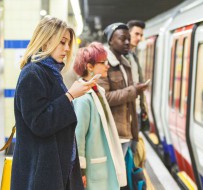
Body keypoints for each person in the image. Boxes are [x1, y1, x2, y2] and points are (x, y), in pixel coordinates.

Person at [11, 16, 96, 190]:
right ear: (45, 41)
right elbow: (40, 123)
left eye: (68, 43)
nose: (66, 49)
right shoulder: (32, 74)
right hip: (40, 174)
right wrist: (70, 95)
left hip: (56, 169)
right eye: (62, 42)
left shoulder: (50, 73)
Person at [73, 42, 127, 189]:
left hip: (102, 165)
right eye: (103, 62)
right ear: (89, 67)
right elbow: (79, 136)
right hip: (93, 168)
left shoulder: (98, 91)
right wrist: (81, 170)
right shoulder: (83, 98)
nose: (107, 66)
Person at [98, 23, 148, 156]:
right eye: (122, 39)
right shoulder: (104, 65)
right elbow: (104, 98)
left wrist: (135, 132)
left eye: (128, 38)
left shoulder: (125, 65)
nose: (127, 42)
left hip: (127, 131)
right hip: (114, 134)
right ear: (110, 41)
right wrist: (134, 91)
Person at [126, 20, 147, 153]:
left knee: (132, 150)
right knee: (129, 151)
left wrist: (143, 107)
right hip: (128, 113)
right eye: (136, 34)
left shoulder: (133, 55)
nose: (139, 38)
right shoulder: (123, 56)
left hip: (137, 109)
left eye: (141, 35)